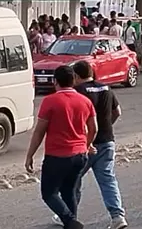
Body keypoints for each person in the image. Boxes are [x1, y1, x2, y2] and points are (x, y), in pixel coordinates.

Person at [51, 61, 127, 229]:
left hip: (85, 144)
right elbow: (117, 112)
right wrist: (107, 126)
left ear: (77, 76)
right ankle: (118, 217)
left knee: (73, 180)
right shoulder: (106, 88)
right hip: (107, 141)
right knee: (108, 179)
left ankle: (69, 216)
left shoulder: (79, 91)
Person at [25, 65, 97, 229]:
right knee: (69, 191)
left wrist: (30, 155)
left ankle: (70, 221)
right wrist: (87, 144)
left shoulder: (50, 101)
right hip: (80, 155)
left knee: (49, 193)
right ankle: (71, 223)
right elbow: (94, 128)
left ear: (55, 81)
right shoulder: (85, 101)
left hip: (57, 155)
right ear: (73, 81)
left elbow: (39, 132)